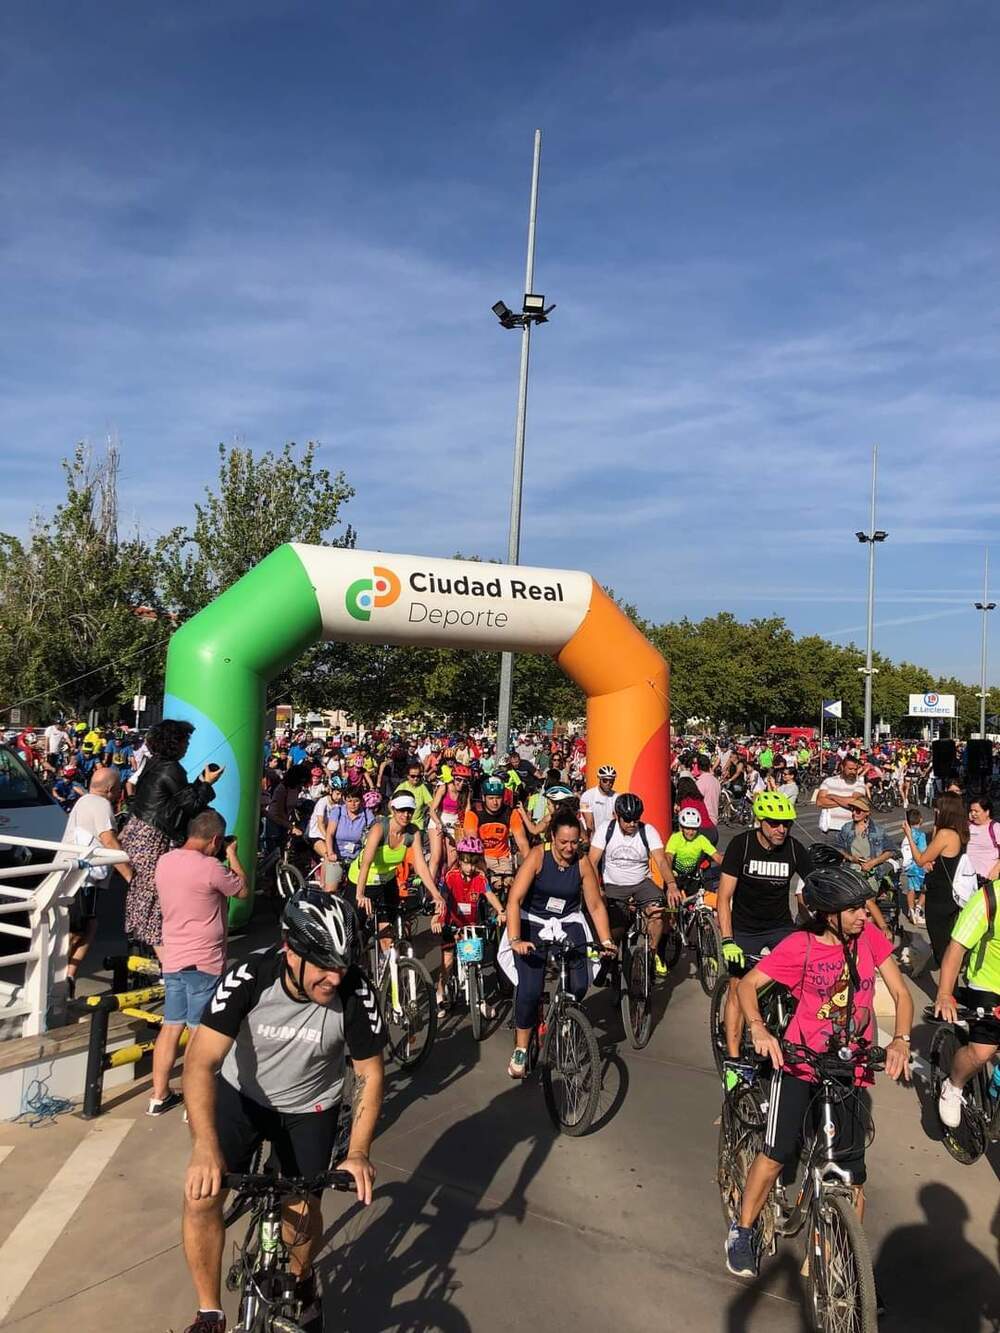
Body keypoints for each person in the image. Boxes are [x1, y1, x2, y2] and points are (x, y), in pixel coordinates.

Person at [180, 890, 385, 1333]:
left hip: (311, 1107)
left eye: (343, 964)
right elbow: (199, 1062)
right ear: (291, 951)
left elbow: (369, 1075)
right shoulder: (250, 975)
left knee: (303, 1208)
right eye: (324, 964)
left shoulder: (354, 991)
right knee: (201, 1195)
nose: (335, 977)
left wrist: (358, 1152)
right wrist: (204, 1147)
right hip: (243, 1096)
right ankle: (209, 1312)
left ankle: (303, 1277)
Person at [725, 863, 912, 1281]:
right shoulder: (800, 946)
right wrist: (759, 1029)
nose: (866, 915)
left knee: (850, 1173)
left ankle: (842, 1262)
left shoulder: (869, 940)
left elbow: (900, 993)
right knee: (776, 1155)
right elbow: (746, 986)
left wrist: (900, 1039)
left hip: (850, 1067)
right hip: (801, 1062)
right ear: (830, 914)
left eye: (865, 907)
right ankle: (743, 1229)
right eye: (855, 909)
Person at [500, 808, 615, 1079]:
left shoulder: (583, 862)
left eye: (574, 842)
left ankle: (567, 1014)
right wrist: (516, 939)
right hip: (533, 921)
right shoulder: (538, 856)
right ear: (552, 837)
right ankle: (521, 1046)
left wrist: (607, 940)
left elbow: (595, 905)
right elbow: (514, 900)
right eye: (563, 842)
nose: (569, 848)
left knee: (580, 979)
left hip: (567, 922)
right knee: (529, 988)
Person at [149, 811, 248, 1116]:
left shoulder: (165, 861)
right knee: (198, 1032)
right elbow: (242, 889)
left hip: (174, 957)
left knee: (170, 1026)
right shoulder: (211, 867)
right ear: (216, 840)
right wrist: (232, 855)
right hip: (203, 960)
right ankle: (194, 1102)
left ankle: (159, 1094)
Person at [716, 791, 812, 1086]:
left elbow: (816, 888)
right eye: (774, 823)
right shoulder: (741, 846)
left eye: (787, 824)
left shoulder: (794, 849)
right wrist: (727, 939)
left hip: (780, 927)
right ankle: (734, 1062)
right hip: (745, 930)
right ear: (761, 822)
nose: (781, 829)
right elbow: (723, 898)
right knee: (737, 988)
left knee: (801, 981)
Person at [121, 720, 221, 957]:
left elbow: (177, 799)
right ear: (174, 742)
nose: (187, 745)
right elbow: (191, 805)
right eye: (185, 740)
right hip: (154, 837)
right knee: (156, 896)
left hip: (140, 831)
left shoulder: (154, 763)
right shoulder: (172, 769)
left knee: (143, 892)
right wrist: (207, 783)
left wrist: (199, 782)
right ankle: (167, 963)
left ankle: (143, 945)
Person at [934, 878, 1000, 1129]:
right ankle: (954, 1085)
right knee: (982, 1052)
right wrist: (944, 994)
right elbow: (956, 948)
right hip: (988, 983)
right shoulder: (989, 898)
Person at [61, 766, 133, 998]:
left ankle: (68, 976)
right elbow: (109, 842)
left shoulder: (83, 801)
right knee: (78, 930)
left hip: (71, 873)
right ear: (112, 789)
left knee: (88, 926)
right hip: (84, 879)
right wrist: (131, 876)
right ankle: (62, 979)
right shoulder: (102, 805)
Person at [589, 792, 678, 977]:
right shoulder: (606, 830)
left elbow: (661, 861)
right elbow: (592, 862)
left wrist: (671, 884)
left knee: (658, 911)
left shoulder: (648, 831)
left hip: (641, 883)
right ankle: (608, 959)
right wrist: (596, 888)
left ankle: (652, 953)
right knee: (615, 928)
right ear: (617, 816)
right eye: (627, 820)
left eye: (635, 820)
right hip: (614, 884)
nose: (632, 824)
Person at [436, 836, 506, 1017]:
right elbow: (442, 898)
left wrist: (501, 911)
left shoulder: (480, 877)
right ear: (459, 860)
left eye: (474, 863)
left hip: (472, 925)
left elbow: (489, 895)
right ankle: (440, 992)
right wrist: (438, 918)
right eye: (466, 863)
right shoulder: (451, 876)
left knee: (476, 961)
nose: (470, 868)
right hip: (452, 924)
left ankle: (480, 999)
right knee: (448, 961)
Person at [350, 792, 445, 923]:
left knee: (388, 934)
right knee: (355, 930)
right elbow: (366, 863)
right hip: (363, 881)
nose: (406, 815)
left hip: (387, 882)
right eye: (401, 810)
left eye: (410, 811)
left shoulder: (413, 832)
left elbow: (421, 866)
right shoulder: (379, 829)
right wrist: (360, 894)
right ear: (393, 810)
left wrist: (436, 894)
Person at [903, 793, 967, 966]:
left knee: (940, 946)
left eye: (938, 808)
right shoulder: (960, 832)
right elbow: (946, 858)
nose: (935, 811)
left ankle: (948, 988)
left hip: (939, 896)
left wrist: (909, 835)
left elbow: (920, 859)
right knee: (948, 938)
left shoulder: (945, 834)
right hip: (952, 893)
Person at [463, 776, 530, 888]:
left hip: (503, 859)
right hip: (482, 857)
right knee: (493, 885)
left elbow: (522, 843)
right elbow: (472, 843)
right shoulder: (473, 814)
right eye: (491, 798)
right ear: (484, 798)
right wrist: (482, 866)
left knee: (511, 885)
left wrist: (530, 864)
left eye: (498, 798)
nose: (495, 802)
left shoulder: (510, 813)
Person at [815, 753, 868, 838]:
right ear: (842, 767)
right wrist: (847, 801)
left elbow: (855, 803)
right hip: (830, 830)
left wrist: (832, 796)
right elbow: (820, 802)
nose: (853, 772)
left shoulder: (859, 784)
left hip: (850, 830)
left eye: (855, 769)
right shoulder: (829, 781)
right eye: (850, 769)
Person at [664, 807, 724, 881]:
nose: (691, 832)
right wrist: (670, 880)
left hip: (692, 876)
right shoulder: (675, 838)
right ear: (681, 828)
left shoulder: (701, 839)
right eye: (687, 828)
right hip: (675, 875)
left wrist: (731, 869)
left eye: (694, 829)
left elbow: (717, 857)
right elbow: (668, 857)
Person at [901, 806, 928, 925]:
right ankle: (918, 910)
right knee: (925, 889)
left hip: (908, 866)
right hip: (918, 866)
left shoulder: (906, 834)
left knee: (911, 889)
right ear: (920, 820)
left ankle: (910, 911)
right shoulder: (920, 835)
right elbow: (923, 850)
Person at [966, 794, 1000, 883]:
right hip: (968, 878)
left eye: (976, 811)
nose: (973, 814)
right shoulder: (968, 826)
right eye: (971, 811)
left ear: (987, 812)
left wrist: (996, 869)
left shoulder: (995, 827)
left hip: (987, 879)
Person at [579, 764, 618, 837]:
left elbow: (618, 820)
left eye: (611, 781)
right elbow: (589, 824)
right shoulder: (586, 796)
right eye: (605, 780)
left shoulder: (616, 797)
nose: (608, 784)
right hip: (593, 837)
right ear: (599, 779)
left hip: (610, 837)